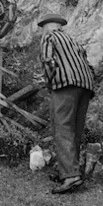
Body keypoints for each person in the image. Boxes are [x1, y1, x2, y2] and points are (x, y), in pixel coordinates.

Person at [37, 12, 95, 194]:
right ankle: (69, 172)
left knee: (62, 129)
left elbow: (48, 62)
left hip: (65, 86)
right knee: (75, 130)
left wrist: (49, 82)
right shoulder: (73, 41)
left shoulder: (49, 37)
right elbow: (88, 64)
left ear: (47, 27)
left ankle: (70, 176)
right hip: (85, 85)